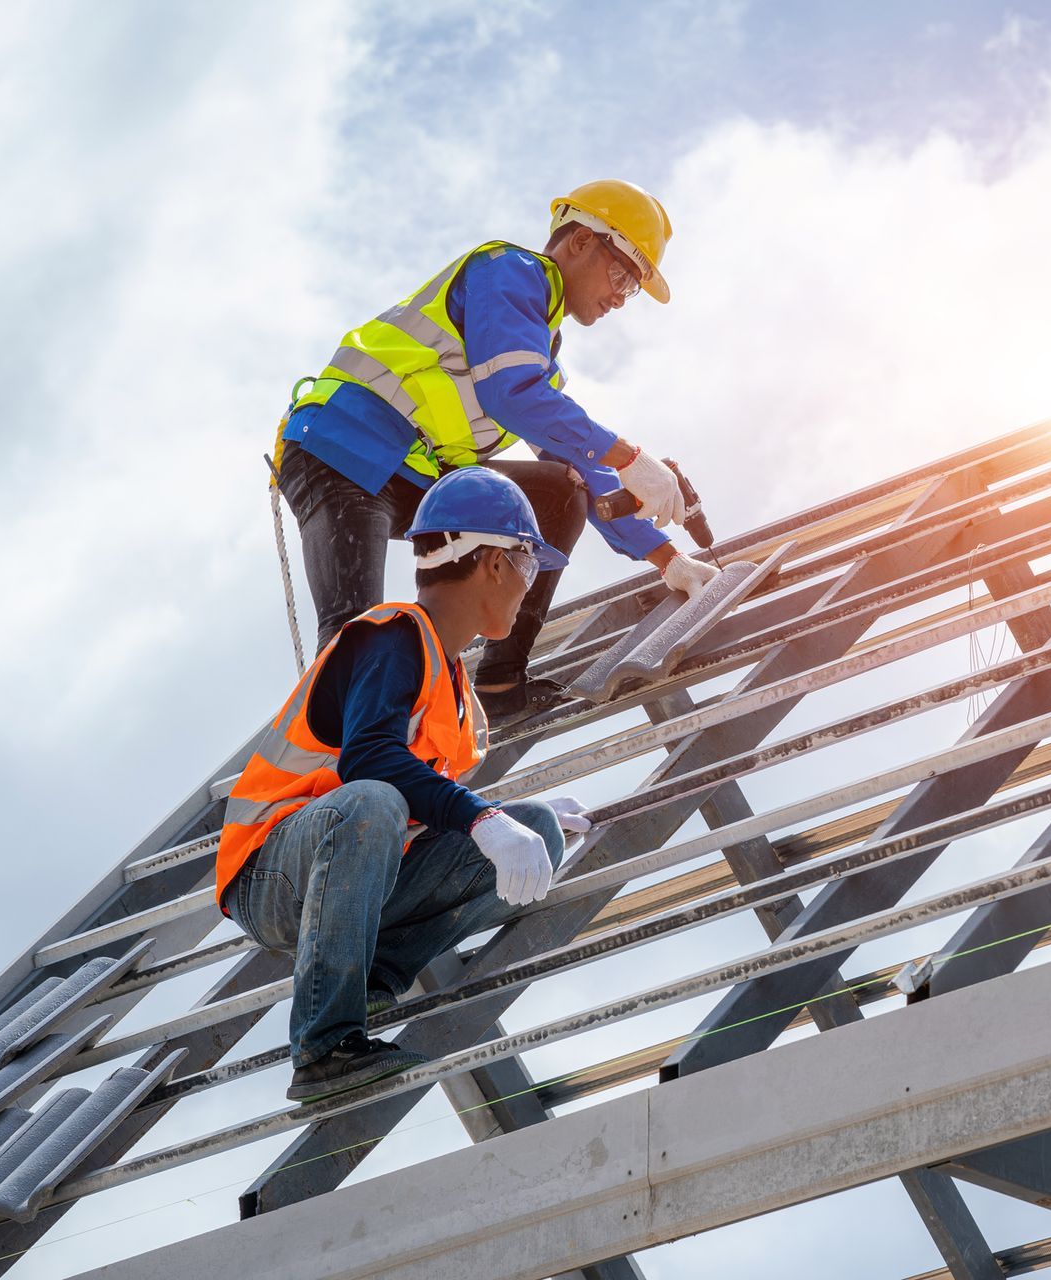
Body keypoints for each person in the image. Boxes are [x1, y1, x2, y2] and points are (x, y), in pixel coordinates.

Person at [271, 178, 719, 723]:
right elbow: (511, 395)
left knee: (561, 492)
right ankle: (344, 771)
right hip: (343, 451)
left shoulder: (537, 352)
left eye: (631, 290)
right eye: (623, 274)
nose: (620, 298)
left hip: (416, 478)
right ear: (579, 242)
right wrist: (629, 457)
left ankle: (500, 684)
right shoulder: (510, 272)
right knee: (354, 632)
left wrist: (668, 559)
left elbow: (577, 467)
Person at [217, 468, 592, 1102]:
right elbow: (370, 760)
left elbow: (420, 798)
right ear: (496, 564)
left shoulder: (452, 687)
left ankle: (367, 979)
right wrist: (482, 819)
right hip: (273, 874)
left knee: (541, 833)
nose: (531, 589)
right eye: (529, 568)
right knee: (373, 799)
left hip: (356, 872)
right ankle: (325, 1044)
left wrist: (505, 820)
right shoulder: (392, 637)